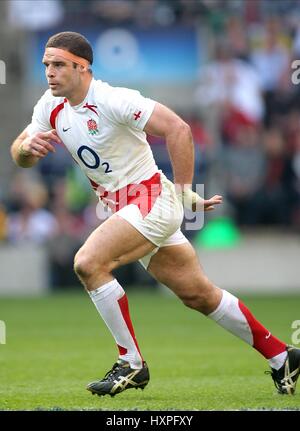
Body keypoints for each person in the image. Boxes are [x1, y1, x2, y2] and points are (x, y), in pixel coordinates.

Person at [11, 31, 300, 397]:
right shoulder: (48, 107)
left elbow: (178, 129)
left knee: (88, 263)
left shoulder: (113, 99)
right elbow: (19, 153)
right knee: (199, 295)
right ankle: (281, 355)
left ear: (82, 68)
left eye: (57, 65)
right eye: (46, 65)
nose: (49, 73)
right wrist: (26, 149)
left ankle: (131, 364)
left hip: (151, 200)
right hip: (126, 209)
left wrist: (183, 192)